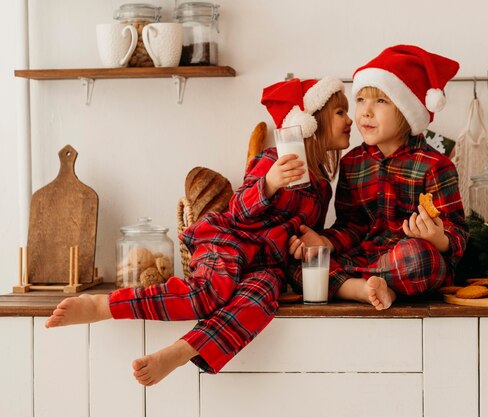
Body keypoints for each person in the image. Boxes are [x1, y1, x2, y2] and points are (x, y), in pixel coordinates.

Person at [45, 76, 352, 386]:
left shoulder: (323, 189)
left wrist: (302, 245)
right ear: (311, 122)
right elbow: (239, 210)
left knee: (260, 298)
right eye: (341, 112)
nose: (350, 119)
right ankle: (104, 305)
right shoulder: (271, 160)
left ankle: (179, 352)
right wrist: (270, 183)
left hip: (268, 266)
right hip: (232, 244)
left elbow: (300, 236)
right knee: (209, 291)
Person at [288, 45, 469, 310]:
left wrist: (437, 238)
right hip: (363, 255)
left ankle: (354, 286)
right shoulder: (353, 163)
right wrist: (324, 243)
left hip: (408, 260)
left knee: (420, 259)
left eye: (381, 101)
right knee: (300, 260)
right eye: (361, 100)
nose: (365, 112)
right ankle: (364, 289)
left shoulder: (435, 165)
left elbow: (458, 232)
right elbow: (352, 225)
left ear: (407, 111)